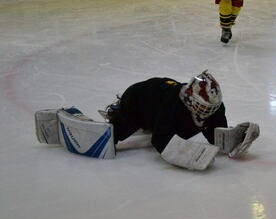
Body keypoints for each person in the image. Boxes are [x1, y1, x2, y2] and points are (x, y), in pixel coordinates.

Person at [35, 71, 260, 170]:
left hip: (157, 94)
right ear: (190, 100)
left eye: (210, 108)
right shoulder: (172, 105)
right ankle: (80, 115)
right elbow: (160, 139)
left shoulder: (214, 107)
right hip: (139, 101)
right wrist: (190, 155)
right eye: (202, 107)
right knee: (112, 136)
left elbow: (214, 132)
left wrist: (233, 138)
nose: (206, 112)